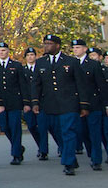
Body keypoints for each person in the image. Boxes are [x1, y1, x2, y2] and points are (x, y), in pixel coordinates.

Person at [33, 34, 88, 176]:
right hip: (49, 104)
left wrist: (83, 104)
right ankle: (70, 156)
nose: (46, 46)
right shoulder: (41, 63)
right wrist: (35, 102)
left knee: (68, 132)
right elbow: (36, 84)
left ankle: (68, 163)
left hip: (69, 103)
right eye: (45, 43)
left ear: (57, 45)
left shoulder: (71, 62)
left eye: (49, 43)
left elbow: (81, 84)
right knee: (57, 132)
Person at [71, 39, 106, 170]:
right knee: (82, 132)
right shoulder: (69, 64)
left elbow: (101, 85)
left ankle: (96, 160)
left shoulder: (93, 64)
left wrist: (107, 105)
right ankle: (91, 153)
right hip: (77, 105)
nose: (75, 49)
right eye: (74, 47)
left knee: (95, 132)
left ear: (85, 49)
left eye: (78, 47)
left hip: (93, 103)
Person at [0, 43, 27, 165]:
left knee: (15, 127)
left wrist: (26, 102)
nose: (2, 52)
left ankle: (16, 155)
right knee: (5, 127)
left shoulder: (16, 66)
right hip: (1, 102)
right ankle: (18, 146)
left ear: (8, 51)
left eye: (4, 50)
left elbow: (22, 84)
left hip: (15, 102)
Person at [21, 46, 49, 160]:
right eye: (28, 55)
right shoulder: (22, 70)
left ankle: (43, 151)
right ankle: (40, 146)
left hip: (41, 102)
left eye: (32, 55)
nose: (30, 57)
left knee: (42, 127)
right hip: (28, 103)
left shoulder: (41, 68)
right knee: (32, 126)